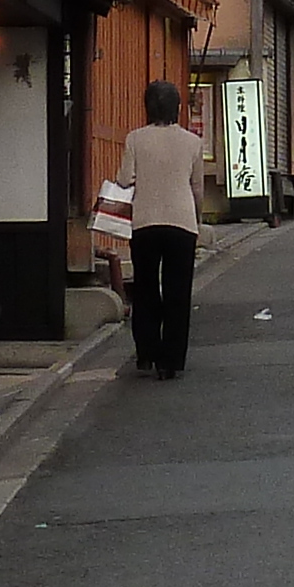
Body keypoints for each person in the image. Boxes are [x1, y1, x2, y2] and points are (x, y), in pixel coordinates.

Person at [117, 82, 206, 379]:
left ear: (148, 107)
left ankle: (146, 353)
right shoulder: (192, 142)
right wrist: (198, 217)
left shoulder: (135, 139)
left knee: (145, 288)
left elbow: (125, 179)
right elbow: (197, 187)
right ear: (177, 108)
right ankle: (171, 361)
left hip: (145, 222)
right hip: (182, 222)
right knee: (177, 292)